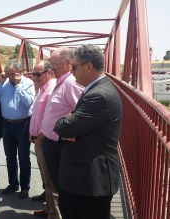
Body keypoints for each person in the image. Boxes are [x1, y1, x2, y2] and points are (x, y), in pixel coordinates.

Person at [53, 44, 122, 219]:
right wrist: (71, 120)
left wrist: (64, 120)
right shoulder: (98, 89)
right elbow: (75, 124)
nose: (72, 71)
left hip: (90, 181)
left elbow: (65, 127)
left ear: (88, 66)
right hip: (86, 178)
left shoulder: (98, 95)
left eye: (74, 67)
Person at [39, 47, 83, 216]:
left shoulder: (71, 84)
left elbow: (81, 112)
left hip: (60, 146)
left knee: (65, 193)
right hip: (52, 144)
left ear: (68, 63)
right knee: (59, 189)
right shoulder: (61, 82)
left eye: (54, 64)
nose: (51, 68)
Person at [0, 59, 35, 199]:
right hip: (7, 124)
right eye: (8, 74)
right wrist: (0, 83)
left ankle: (24, 187)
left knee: (23, 157)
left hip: (22, 124)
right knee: (10, 157)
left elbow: (28, 102)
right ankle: (13, 184)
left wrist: (18, 85)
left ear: (20, 72)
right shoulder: (4, 83)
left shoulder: (28, 83)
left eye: (13, 74)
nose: (10, 77)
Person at [28, 61, 61, 218]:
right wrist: (32, 132)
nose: (34, 77)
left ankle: (54, 214)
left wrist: (40, 136)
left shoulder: (52, 90)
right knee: (46, 179)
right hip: (38, 139)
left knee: (51, 181)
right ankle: (49, 209)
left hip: (45, 140)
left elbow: (52, 118)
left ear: (49, 73)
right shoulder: (43, 89)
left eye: (38, 74)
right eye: (33, 74)